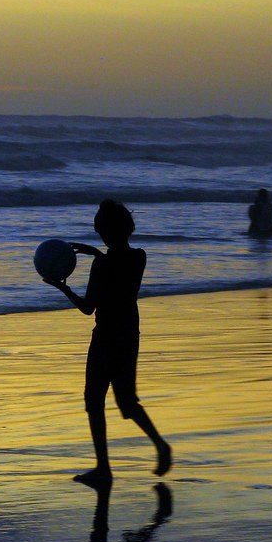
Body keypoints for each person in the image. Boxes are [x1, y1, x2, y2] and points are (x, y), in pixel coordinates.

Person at [45, 199, 171, 487]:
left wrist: (62, 287)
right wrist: (96, 254)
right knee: (127, 401)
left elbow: (88, 307)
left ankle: (103, 468)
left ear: (103, 231)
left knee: (94, 400)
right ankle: (160, 445)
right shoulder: (139, 257)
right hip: (129, 333)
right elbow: (118, 265)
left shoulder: (101, 266)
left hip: (105, 337)